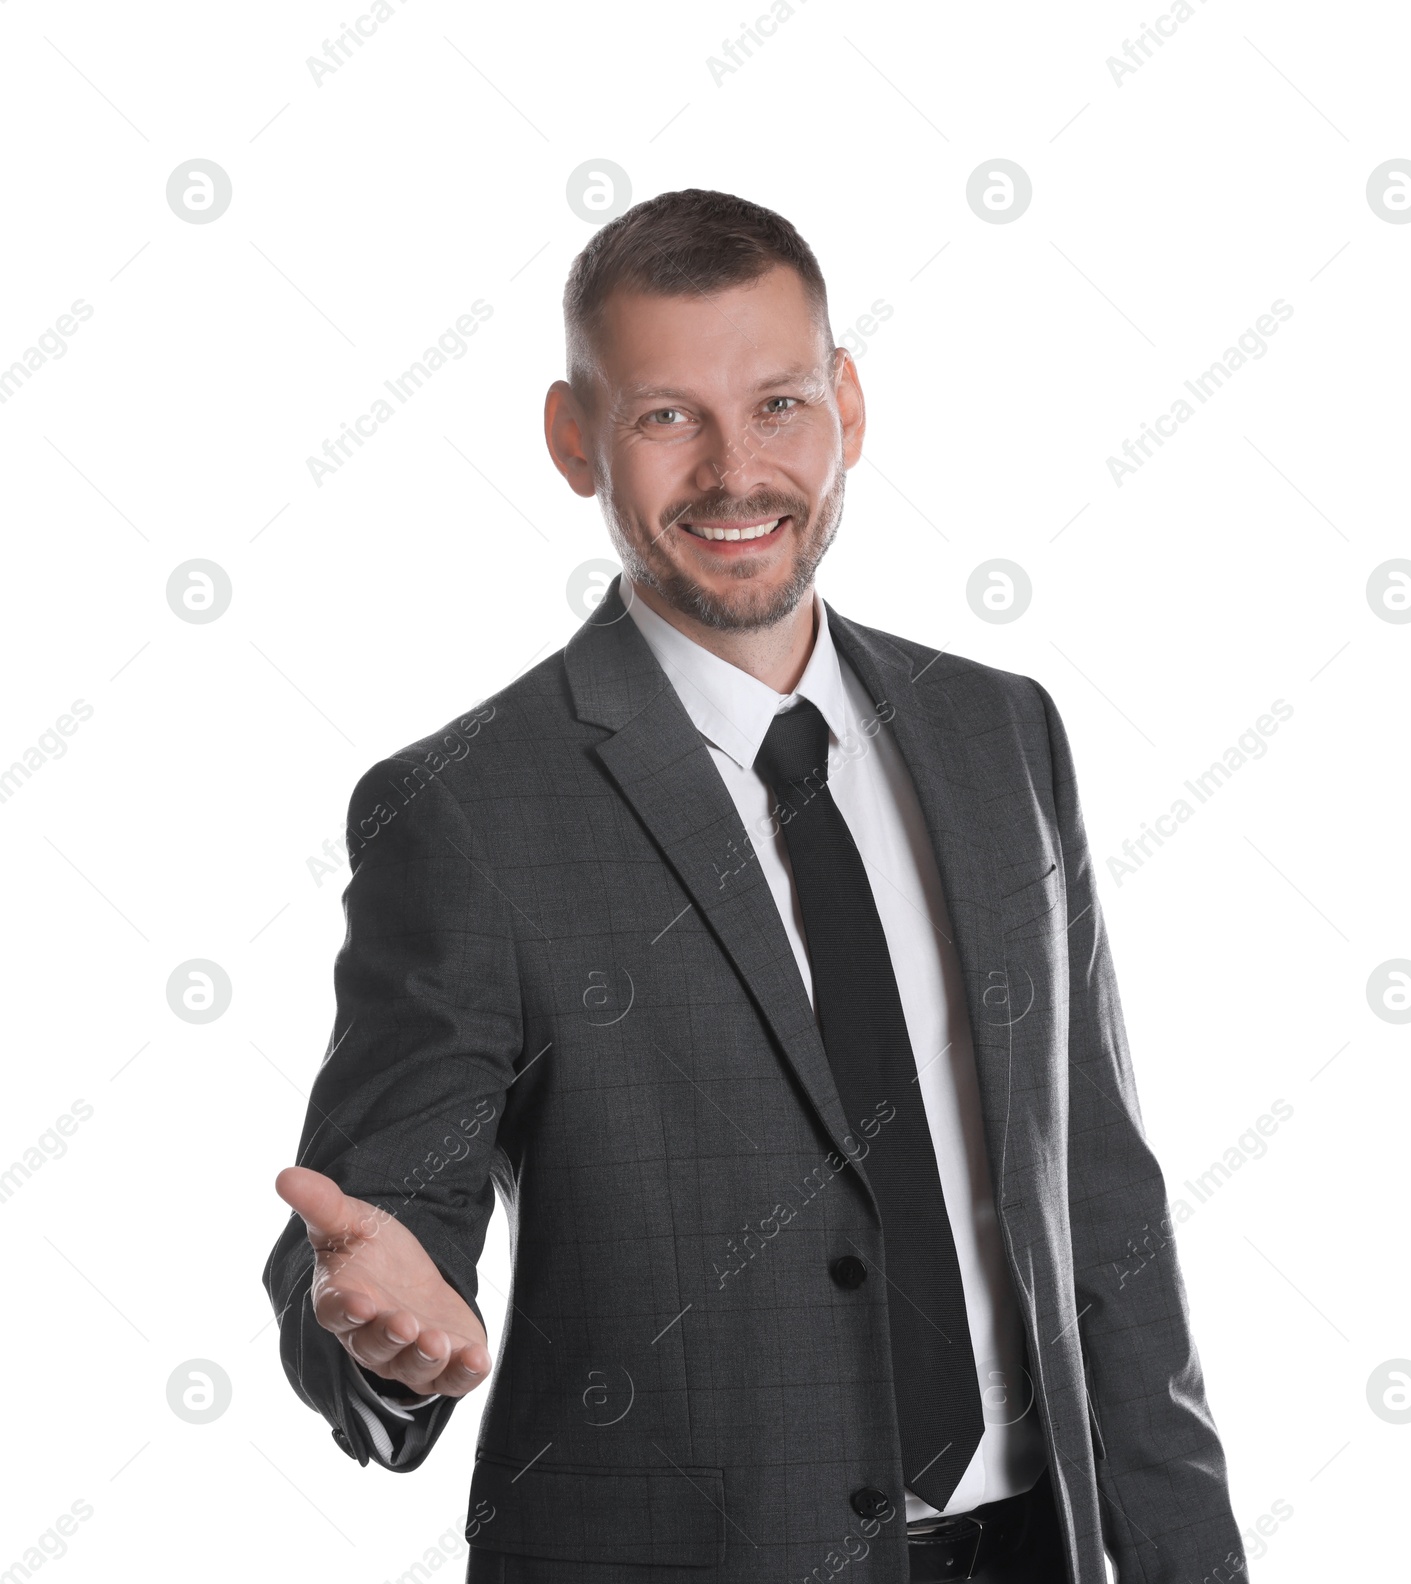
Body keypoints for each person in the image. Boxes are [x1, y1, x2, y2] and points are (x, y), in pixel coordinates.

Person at [264, 188, 1249, 1584]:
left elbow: (1103, 1208)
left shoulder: (1000, 733)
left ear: (847, 401)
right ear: (573, 439)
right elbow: (372, 1238)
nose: (737, 472)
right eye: (669, 416)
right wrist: (385, 1334)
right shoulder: (469, 811)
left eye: (779, 403)